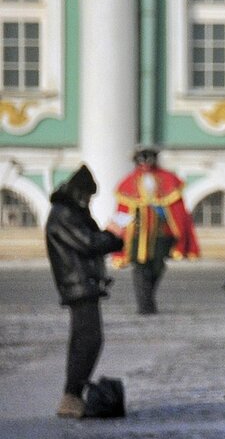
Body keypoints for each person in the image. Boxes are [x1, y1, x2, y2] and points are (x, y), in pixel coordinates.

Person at [45, 165, 125, 418]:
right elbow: (89, 243)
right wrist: (113, 234)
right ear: (79, 193)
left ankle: (73, 395)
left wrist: (112, 236)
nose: (89, 201)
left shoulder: (70, 213)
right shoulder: (64, 214)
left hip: (84, 285)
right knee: (87, 340)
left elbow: (91, 240)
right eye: (88, 196)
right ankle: (71, 396)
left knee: (87, 340)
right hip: (77, 284)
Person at [113, 147, 199, 314]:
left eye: (148, 159)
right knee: (139, 268)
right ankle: (145, 305)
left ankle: (148, 299)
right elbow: (122, 210)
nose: (145, 163)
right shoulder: (129, 182)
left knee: (157, 267)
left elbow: (178, 211)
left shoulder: (167, 179)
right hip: (137, 236)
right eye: (141, 159)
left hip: (161, 235)